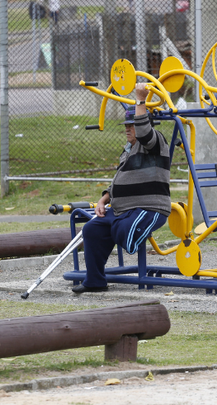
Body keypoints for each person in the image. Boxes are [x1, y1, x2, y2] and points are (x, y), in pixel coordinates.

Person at [72, 83, 171, 293]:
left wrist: (141, 99)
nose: (127, 128)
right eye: (126, 124)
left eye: (132, 124)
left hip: (149, 208)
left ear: (144, 124)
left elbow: (145, 132)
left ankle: (128, 238)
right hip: (122, 209)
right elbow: (118, 180)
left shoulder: (155, 143)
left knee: (123, 230)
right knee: (91, 229)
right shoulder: (129, 149)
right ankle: (95, 281)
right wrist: (103, 200)